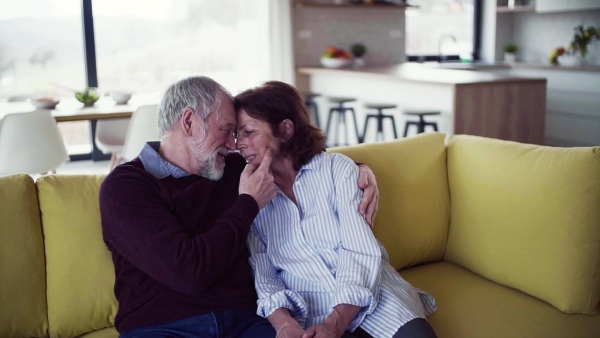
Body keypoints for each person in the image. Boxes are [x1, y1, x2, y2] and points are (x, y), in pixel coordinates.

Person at [99, 76, 380, 337]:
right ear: (188, 122)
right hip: (164, 327)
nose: (234, 145)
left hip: (245, 321)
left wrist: (357, 169)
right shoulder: (125, 187)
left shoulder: (229, 169)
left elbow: (294, 159)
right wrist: (248, 202)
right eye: (226, 130)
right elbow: (188, 273)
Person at [234, 81, 438, 338]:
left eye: (249, 132)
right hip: (310, 309)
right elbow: (263, 272)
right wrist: (283, 322)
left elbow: (360, 252)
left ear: (285, 130)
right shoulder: (249, 195)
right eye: (236, 135)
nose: (238, 144)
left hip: (374, 296)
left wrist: (336, 323)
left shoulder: (337, 170)